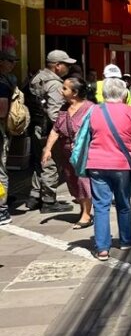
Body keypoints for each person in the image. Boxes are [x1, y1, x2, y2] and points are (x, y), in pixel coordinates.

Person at [83, 77, 131, 261]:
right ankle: (125, 240)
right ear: (125, 94)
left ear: (103, 94)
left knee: (101, 206)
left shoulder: (93, 111)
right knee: (123, 204)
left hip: (96, 163)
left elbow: (84, 136)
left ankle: (102, 248)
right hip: (121, 165)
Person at [26, 50, 76, 213]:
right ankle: (48, 201)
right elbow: (55, 114)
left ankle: (35, 197)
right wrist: (65, 131)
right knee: (51, 164)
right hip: (48, 129)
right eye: (66, 64)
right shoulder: (54, 84)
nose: (69, 68)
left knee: (40, 162)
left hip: (36, 126)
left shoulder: (38, 77)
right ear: (57, 65)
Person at [41, 77, 95, 229]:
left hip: (84, 153)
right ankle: (83, 209)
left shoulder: (90, 109)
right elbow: (56, 130)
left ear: (75, 92)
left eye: (65, 88)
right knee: (73, 181)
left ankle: (86, 215)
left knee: (83, 181)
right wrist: (48, 149)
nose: (61, 90)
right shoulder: (64, 108)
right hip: (67, 153)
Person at [0, 49, 18, 225]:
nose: (13, 65)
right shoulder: (4, 83)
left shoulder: (5, 83)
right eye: (10, 61)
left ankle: (1, 209)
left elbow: (3, 111)